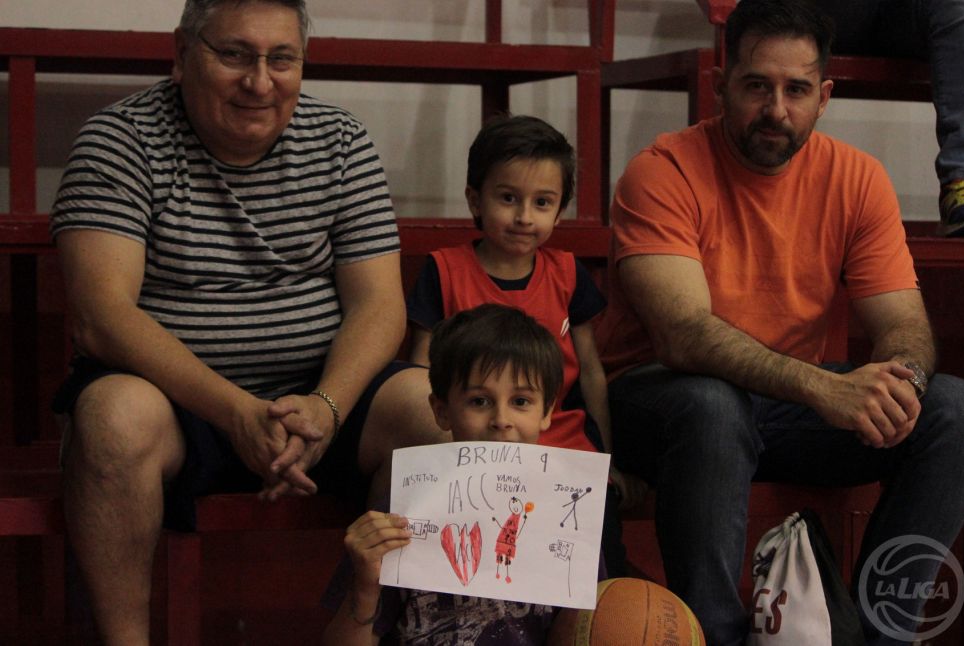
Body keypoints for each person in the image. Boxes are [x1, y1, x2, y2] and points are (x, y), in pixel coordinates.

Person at [48, 1, 440, 644]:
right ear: (182, 54)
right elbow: (101, 317)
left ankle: (366, 631)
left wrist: (326, 407)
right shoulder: (119, 139)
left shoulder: (341, 139)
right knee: (112, 418)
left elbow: (379, 304)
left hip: (318, 401)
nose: (259, 82)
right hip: (178, 408)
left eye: (281, 59)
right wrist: (236, 412)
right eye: (234, 54)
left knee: (434, 411)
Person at [595, 1, 964, 644]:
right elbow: (684, 335)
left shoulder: (857, 177)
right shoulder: (662, 172)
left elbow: (903, 322)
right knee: (713, 407)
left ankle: (877, 635)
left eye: (796, 90)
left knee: (954, 411)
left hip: (786, 407)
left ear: (824, 97)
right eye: (756, 86)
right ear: (721, 85)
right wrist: (824, 387)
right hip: (659, 403)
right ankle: (713, 636)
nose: (776, 110)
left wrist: (901, 381)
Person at [406, 114, 645, 575]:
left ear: (560, 211)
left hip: (559, 443)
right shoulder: (444, 270)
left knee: (597, 555)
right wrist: (433, 458)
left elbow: (590, 372)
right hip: (469, 443)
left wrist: (606, 461)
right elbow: (418, 376)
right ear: (475, 199)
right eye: (508, 198)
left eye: (542, 202)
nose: (524, 217)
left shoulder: (567, 273)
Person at [322, 303, 568, 645]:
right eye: (479, 401)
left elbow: (579, 632)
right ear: (441, 411)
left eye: (521, 401)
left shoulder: (566, 520)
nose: (501, 420)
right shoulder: (404, 510)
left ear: (546, 412)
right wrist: (365, 587)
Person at [808, 0, 964, 236]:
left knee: (955, 5)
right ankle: (769, 191)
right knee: (768, 15)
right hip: (826, 12)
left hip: (899, 15)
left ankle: (961, 182)